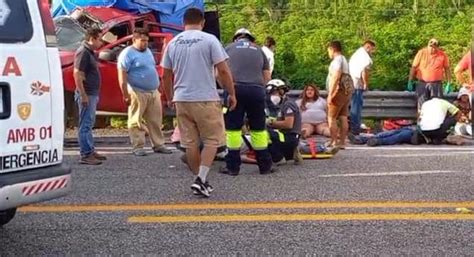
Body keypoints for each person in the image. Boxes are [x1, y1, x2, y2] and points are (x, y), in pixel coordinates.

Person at [161, 8, 236, 197]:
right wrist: (231, 93)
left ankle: (199, 180)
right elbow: (223, 71)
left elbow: (166, 75)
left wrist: (170, 97)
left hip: (182, 99)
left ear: (183, 22)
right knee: (212, 140)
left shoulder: (173, 43)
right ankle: (200, 178)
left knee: (190, 143)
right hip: (205, 97)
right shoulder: (210, 40)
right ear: (202, 22)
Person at [219, 28, 274, 176]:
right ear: (252, 39)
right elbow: (267, 77)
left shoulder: (228, 48)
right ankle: (265, 166)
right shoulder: (259, 50)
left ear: (235, 38)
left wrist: (227, 89)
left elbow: (220, 72)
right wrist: (258, 88)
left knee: (233, 129)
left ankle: (233, 167)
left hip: (235, 89)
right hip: (256, 91)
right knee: (258, 129)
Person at [117, 28, 172, 157]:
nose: (145, 43)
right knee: (136, 120)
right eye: (142, 41)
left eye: (147, 41)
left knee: (155, 120)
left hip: (153, 91)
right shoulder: (127, 54)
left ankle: (158, 144)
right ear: (134, 40)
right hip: (137, 91)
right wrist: (125, 94)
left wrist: (158, 87)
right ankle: (138, 146)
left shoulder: (147, 51)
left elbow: (152, 68)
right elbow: (122, 76)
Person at [73, 28, 106, 165]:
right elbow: (77, 73)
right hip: (87, 93)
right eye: (99, 39)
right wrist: (83, 94)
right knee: (85, 124)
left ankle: (90, 150)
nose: (101, 42)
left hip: (92, 93)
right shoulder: (83, 52)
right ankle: (85, 154)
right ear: (92, 38)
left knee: (89, 123)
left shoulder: (90, 52)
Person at [266, 79, 303, 165]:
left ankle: (279, 158)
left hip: (290, 137)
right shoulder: (282, 104)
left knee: (264, 133)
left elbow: (288, 124)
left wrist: (270, 123)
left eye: (274, 92)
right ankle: (289, 153)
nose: (272, 95)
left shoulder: (288, 104)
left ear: (282, 91)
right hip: (286, 136)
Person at [407, 38, 452, 110]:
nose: (432, 48)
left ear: (437, 47)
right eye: (430, 46)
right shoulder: (421, 52)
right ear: (428, 45)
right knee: (421, 106)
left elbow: (447, 69)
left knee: (437, 107)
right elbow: (413, 67)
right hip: (422, 83)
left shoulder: (442, 55)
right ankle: (421, 120)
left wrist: (449, 83)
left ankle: (436, 121)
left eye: (434, 47)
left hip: (436, 84)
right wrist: (410, 81)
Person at [326, 40, 352, 149]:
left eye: (328, 50)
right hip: (346, 91)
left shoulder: (337, 60)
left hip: (338, 91)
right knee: (343, 117)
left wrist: (330, 94)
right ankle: (342, 142)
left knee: (331, 118)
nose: (328, 53)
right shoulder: (344, 59)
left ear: (332, 49)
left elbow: (336, 76)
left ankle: (333, 142)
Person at [349, 40, 376, 135]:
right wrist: (365, 84)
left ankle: (354, 127)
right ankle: (355, 128)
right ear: (368, 47)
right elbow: (364, 71)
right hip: (357, 84)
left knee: (354, 105)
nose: (373, 52)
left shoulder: (357, 53)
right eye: (372, 49)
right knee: (356, 106)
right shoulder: (365, 57)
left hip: (351, 82)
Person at [349, 127, 414, 147]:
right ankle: (362, 139)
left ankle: (378, 141)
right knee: (391, 132)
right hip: (413, 129)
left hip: (418, 134)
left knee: (399, 136)